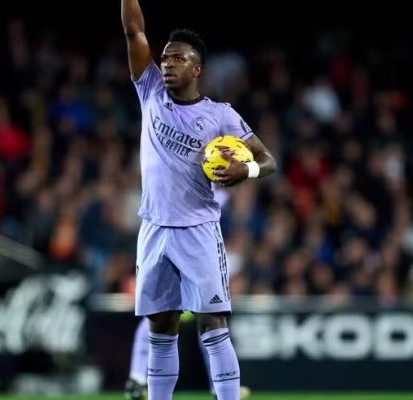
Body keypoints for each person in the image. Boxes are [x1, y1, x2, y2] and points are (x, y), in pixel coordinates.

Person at [121, 1, 277, 399]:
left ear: (197, 69)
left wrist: (248, 171)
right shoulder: (150, 90)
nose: (168, 63)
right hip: (154, 228)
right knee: (161, 327)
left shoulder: (221, 116)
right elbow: (134, 31)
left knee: (213, 323)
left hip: (198, 231)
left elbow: (268, 159)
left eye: (178, 58)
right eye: (165, 57)